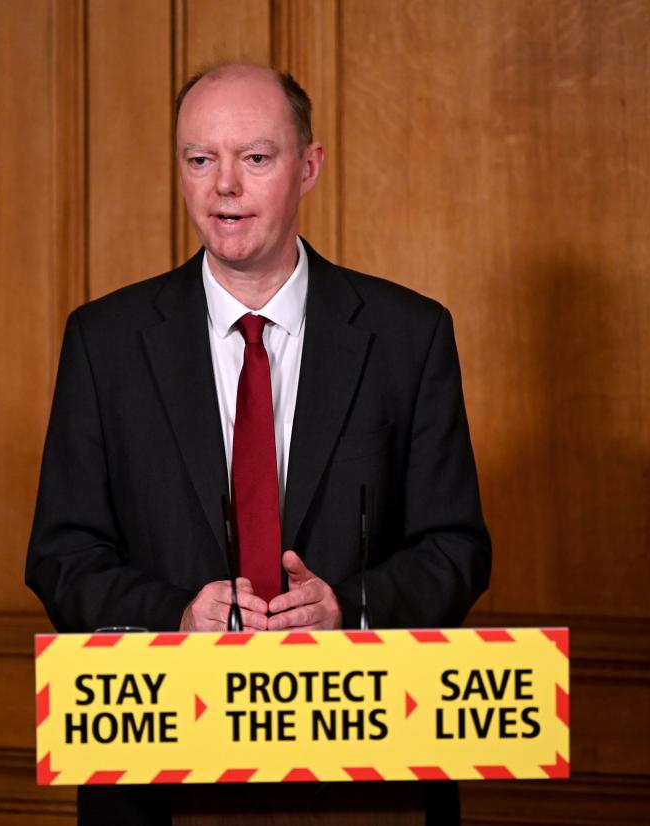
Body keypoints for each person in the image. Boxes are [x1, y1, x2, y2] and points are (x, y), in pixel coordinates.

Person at [26, 63, 491, 825]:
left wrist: (347, 606)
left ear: (308, 167)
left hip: (368, 772)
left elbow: (457, 547)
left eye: (256, 158)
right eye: (200, 159)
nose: (224, 187)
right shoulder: (103, 342)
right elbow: (60, 555)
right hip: (160, 774)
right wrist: (179, 616)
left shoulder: (409, 335)